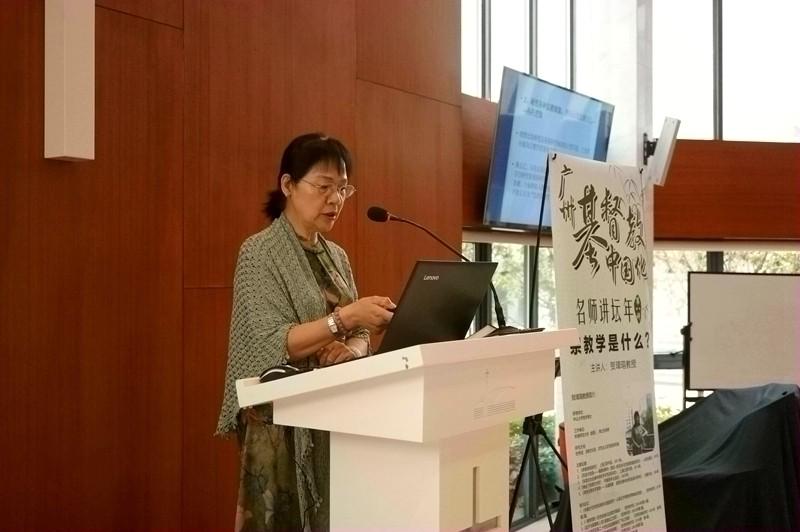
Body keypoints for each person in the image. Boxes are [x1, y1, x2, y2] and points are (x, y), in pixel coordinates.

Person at [216, 133, 395, 531]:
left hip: (334, 416)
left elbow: (360, 330)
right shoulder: (258, 253)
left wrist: (354, 344)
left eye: (343, 188)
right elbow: (268, 343)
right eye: (324, 187)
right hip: (277, 424)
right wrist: (343, 321)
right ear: (288, 186)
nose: (335, 199)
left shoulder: (337, 255)